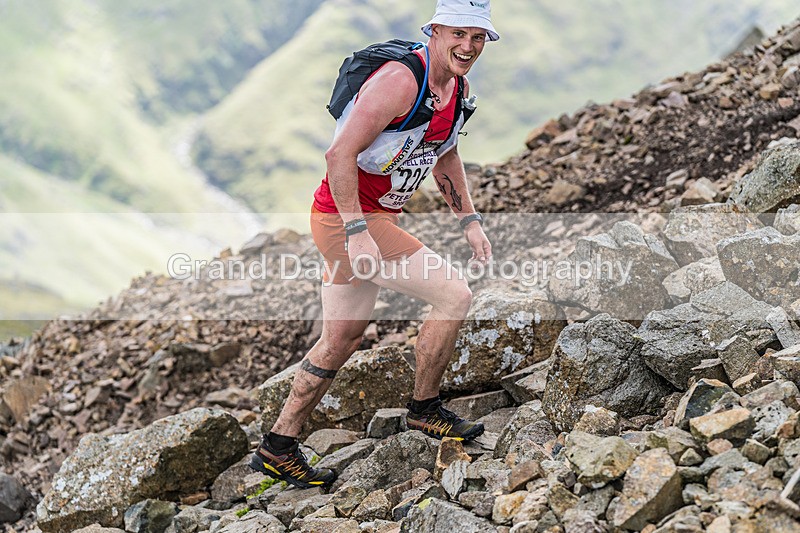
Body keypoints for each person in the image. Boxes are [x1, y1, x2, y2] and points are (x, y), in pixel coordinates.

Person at [250, 0, 499, 489]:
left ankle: (278, 446)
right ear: (435, 30)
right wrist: (356, 231)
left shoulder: (457, 89)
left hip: (366, 219)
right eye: (458, 34)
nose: (468, 46)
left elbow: (446, 154)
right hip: (345, 221)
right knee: (454, 295)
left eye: (478, 37)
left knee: (341, 338)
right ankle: (425, 409)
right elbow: (338, 153)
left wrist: (469, 220)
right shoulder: (400, 81)